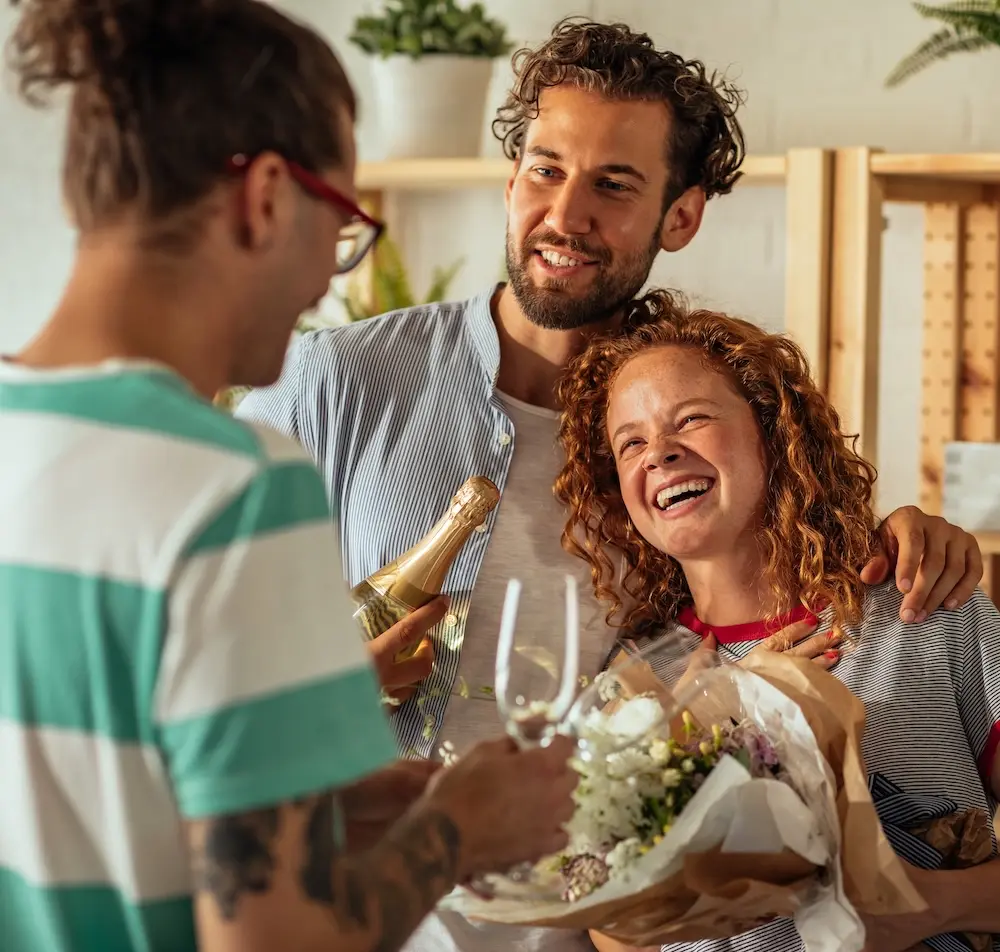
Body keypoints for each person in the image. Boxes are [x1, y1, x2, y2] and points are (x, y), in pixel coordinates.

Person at [235, 17, 985, 952]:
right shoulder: (329, 384)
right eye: (546, 169)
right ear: (511, 180)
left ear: (681, 214)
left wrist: (911, 531)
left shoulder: (680, 438)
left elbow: (774, 565)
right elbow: (188, 651)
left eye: (613, 185)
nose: (565, 213)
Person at [0, 2, 579, 952]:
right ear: (268, 195)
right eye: (343, 220)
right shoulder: (230, 490)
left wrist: (315, 799)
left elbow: (96, 814)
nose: (328, 275)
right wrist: (458, 832)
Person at [553, 289, 1000, 952]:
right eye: (630, 444)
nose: (660, 453)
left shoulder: (924, 613)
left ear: (773, 428)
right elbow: (608, 928)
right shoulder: (631, 687)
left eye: (691, 419)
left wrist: (933, 906)